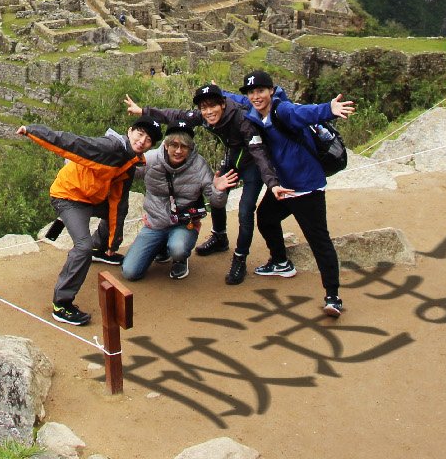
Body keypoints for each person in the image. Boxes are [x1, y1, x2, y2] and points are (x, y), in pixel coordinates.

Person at [229, 70, 355, 318]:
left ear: (271, 91)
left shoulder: (282, 110)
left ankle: (333, 296)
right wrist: (218, 92)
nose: (256, 96)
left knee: (319, 240)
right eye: (252, 92)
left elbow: (304, 112)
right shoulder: (255, 111)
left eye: (261, 91)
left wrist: (329, 109)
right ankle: (280, 262)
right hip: (284, 187)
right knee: (265, 218)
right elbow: (239, 99)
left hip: (306, 187)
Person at [125, 84, 279, 285]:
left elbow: (258, 151)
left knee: (245, 210)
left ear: (223, 104)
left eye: (212, 106)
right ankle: (220, 237)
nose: (207, 112)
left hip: (253, 163)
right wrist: (144, 112)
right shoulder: (204, 116)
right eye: (203, 108)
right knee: (130, 271)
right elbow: (178, 115)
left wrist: (272, 182)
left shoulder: (242, 120)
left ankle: (239, 259)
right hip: (235, 155)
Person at [18, 115, 162, 326]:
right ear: (130, 131)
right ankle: (62, 304)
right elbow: (72, 143)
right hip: (68, 196)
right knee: (82, 247)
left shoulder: (130, 161)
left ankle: (100, 249)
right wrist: (33, 131)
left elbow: (118, 203)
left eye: (148, 140)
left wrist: (114, 241)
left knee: (113, 211)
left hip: (92, 197)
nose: (142, 141)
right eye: (140, 134)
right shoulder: (109, 147)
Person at [119, 116, 236, 282]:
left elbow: (217, 203)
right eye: (174, 145)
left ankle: (179, 258)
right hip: (155, 223)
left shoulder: (199, 166)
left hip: (184, 223)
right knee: (130, 272)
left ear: (190, 147)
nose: (178, 151)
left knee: (178, 248)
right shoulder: (151, 160)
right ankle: (161, 247)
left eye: (184, 146)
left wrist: (218, 190)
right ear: (166, 145)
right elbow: (127, 172)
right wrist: (116, 155)